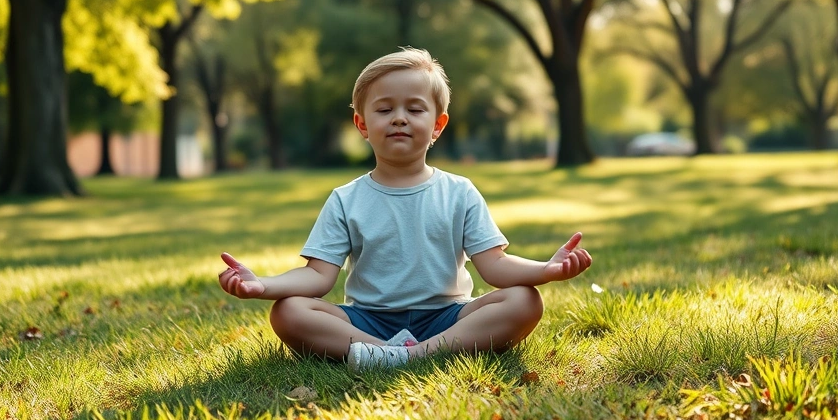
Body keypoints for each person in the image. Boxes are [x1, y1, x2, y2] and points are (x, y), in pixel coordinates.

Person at [218, 47, 592, 372]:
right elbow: (317, 276)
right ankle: (383, 351)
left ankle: (414, 354)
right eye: (385, 109)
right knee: (288, 312)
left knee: (525, 299)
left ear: (437, 125)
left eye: (415, 109)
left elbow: (495, 266)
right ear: (363, 125)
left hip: (448, 319)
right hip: (366, 321)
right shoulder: (346, 199)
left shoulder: (459, 192)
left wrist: (546, 269)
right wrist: (263, 284)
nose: (399, 118)